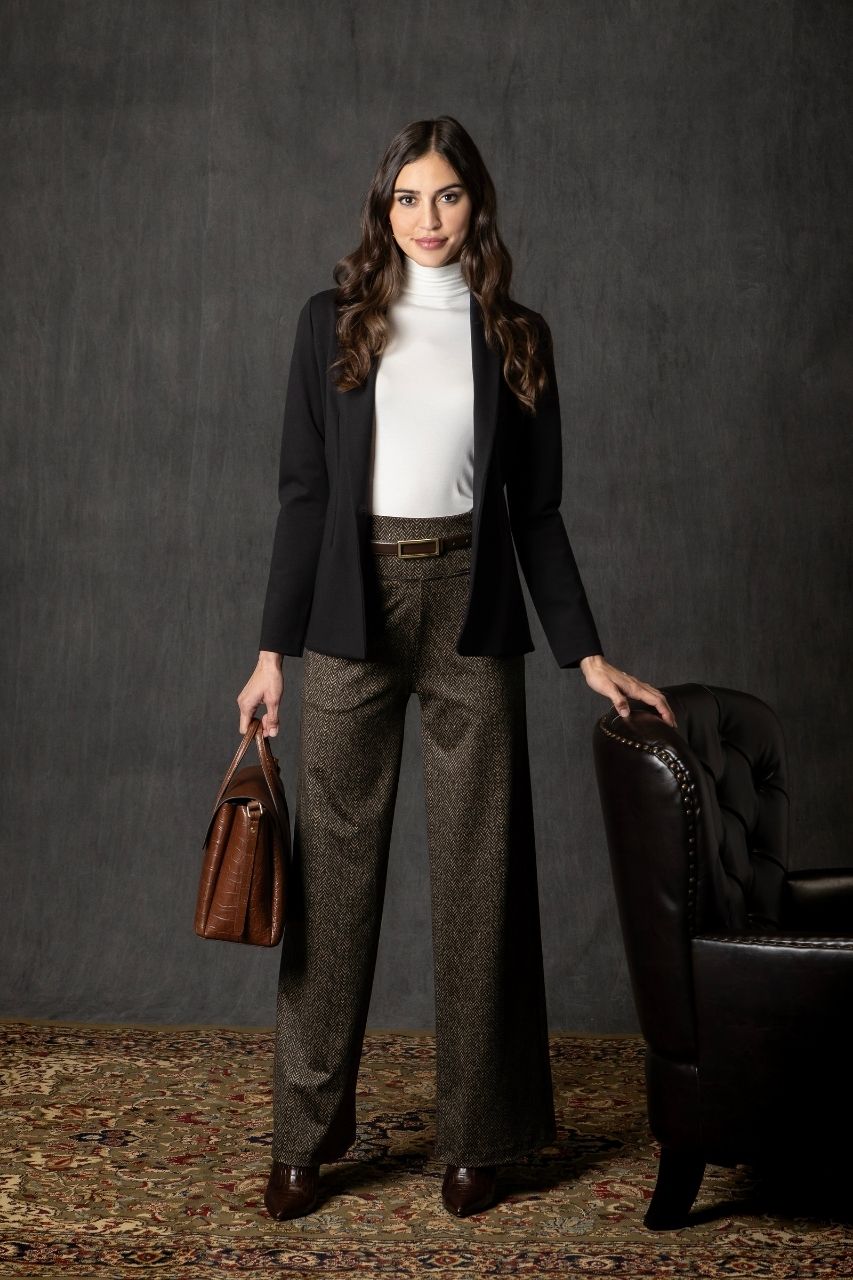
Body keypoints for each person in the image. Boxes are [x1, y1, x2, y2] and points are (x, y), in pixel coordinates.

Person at [237, 115, 675, 1222]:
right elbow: (303, 496)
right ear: (380, 208)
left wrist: (585, 652)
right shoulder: (330, 322)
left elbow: (538, 513)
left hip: (472, 608)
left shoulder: (515, 334)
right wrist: (270, 651)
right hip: (353, 607)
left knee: (483, 879)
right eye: (406, 198)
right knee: (331, 882)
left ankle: (482, 1136)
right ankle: (305, 1136)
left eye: (447, 196)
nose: (426, 219)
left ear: (476, 204)